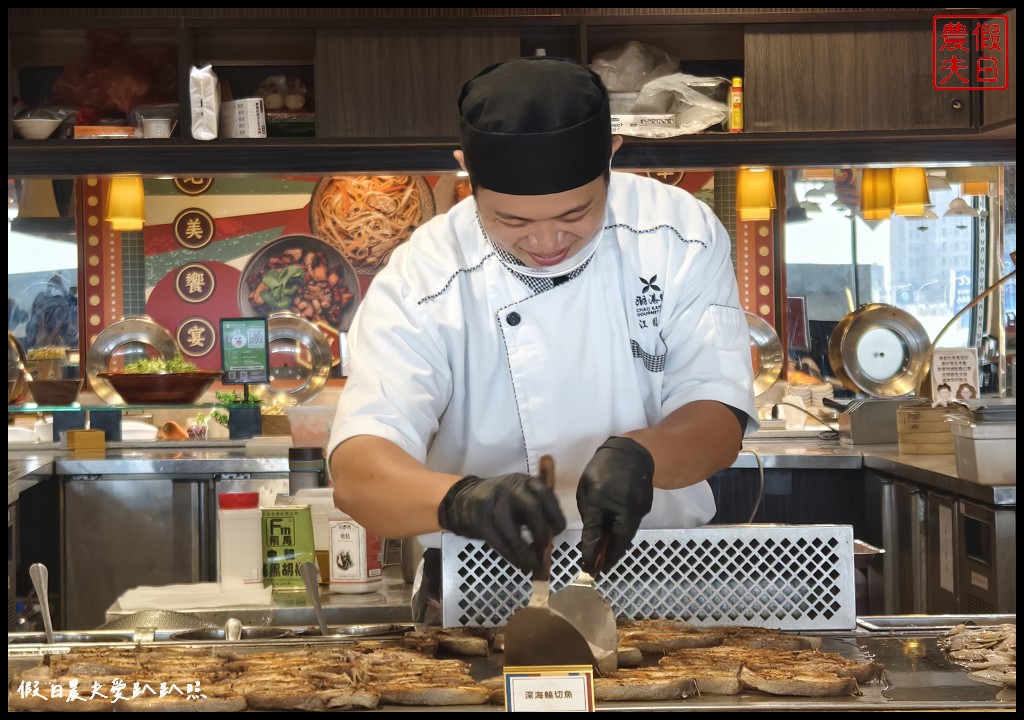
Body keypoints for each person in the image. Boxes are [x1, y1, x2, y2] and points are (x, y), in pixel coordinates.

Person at [327, 55, 758, 620]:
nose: (548, 241)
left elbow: (718, 413)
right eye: (513, 222)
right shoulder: (424, 277)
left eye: (576, 213)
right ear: (465, 171)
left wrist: (644, 457)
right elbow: (359, 475)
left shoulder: (678, 233)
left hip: (664, 576)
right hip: (476, 589)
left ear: (611, 155)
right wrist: (460, 500)